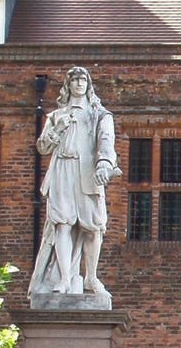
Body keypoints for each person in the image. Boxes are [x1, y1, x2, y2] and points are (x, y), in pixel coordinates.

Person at [30, 67, 119, 302]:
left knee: (94, 227)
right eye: (75, 80)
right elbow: (42, 148)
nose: (79, 83)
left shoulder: (99, 115)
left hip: (88, 173)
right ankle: (65, 278)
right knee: (62, 224)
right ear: (68, 85)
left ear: (88, 85)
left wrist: (104, 165)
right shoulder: (56, 116)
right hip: (62, 170)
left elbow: (106, 142)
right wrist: (58, 129)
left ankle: (91, 277)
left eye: (83, 80)